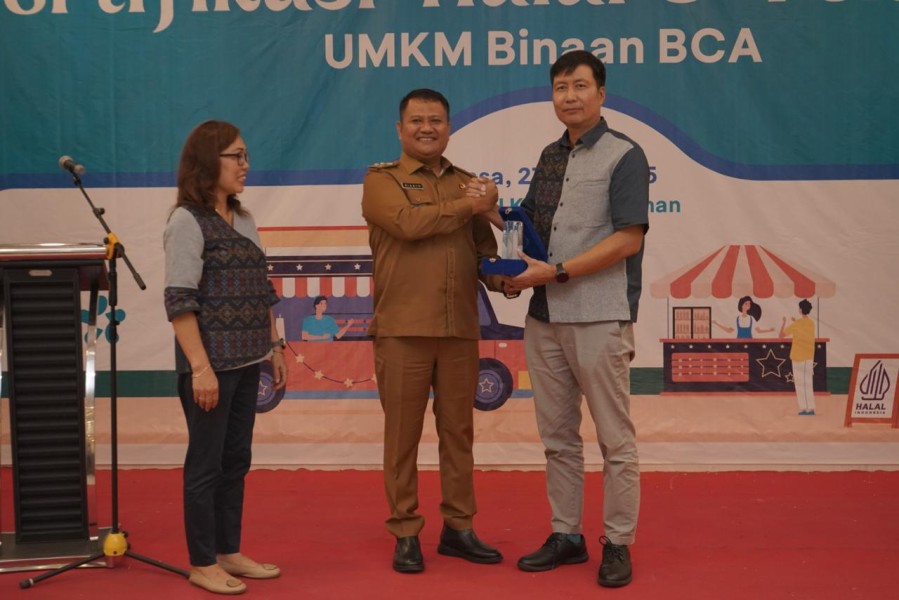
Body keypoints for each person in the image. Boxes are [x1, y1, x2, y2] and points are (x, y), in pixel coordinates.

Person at [502, 51, 649, 588]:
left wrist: (558, 271)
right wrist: (502, 239)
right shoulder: (550, 155)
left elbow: (627, 240)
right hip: (544, 316)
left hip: (599, 315)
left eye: (580, 85)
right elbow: (532, 233)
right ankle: (566, 535)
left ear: (601, 93)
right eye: (561, 87)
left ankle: (618, 542)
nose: (570, 96)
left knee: (615, 440)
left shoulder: (624, 155)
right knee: (558, 438)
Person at [361, 88, 507, 574]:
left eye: (437, 120)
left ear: (449, 127)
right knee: (402, 437)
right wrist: (472, 204)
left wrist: (509, 277)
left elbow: (485, 254)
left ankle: (458, 528)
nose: (427, 128)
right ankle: (405, 530)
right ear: (400, 128)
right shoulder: (382, 181)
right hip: (403, 329)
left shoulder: (467, 183)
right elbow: (409, 224)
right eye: (417, 120)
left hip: (460, 329)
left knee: (458, 433)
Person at [164, 120, 287, 595]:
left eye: (246, 155)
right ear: (206, 161)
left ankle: (227, 551)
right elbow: (179, 301)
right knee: (206, 465)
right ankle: (201, 562)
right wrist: (201, 368)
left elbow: (262, 289)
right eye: (236, 156)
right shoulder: (186, 221)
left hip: (248, 361)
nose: (245, 164)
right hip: (209, 369)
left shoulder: (244, 217)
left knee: (236, 460)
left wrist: (274, 347)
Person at [780, 299, 816, 415]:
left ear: (800, 309)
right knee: (808, 382)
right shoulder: (811, 323)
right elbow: (804, 332)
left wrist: (784, 322)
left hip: (797, 356)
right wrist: (796, 322)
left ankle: (804, 408)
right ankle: (811, 408)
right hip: (808, 356)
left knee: (800, 384)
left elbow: (781, 335)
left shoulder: (797, 324)